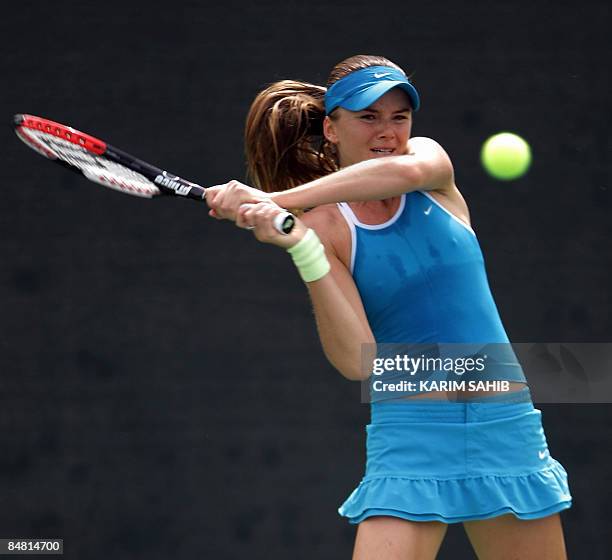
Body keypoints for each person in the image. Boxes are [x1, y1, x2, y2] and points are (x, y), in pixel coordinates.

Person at [205, 55, 572, 559]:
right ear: (331, 130)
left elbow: (399, 171)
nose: (388, 130)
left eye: (398, 116)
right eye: (368, 116)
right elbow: (358, 361)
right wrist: (301, 247)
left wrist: (277, 198)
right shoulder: (323, 228)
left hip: (502, 424)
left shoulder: (429, 168)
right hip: (413, 437)